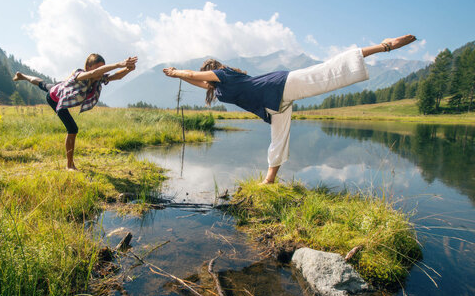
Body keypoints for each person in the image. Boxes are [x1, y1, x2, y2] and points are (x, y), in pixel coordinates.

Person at [163, 34, 417, 184]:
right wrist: (177, 77)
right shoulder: (217, 88)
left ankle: (383, 46)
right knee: (278, 140)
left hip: (280, 85)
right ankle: (269, 181)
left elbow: (193, 74)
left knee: (327, 71)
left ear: (213, 68)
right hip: (273, 105)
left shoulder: (222, 74)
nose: (205, 80)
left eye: (207, 74)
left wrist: (176, 71)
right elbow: (196, 80)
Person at [13, 54, 138, 170]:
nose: (103, 71)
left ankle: (22, 76)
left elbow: (116, 76)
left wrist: (128, 69)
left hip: (60, 87)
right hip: (55, 99)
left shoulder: (98, 78)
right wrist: (119, 64)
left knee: (42, 84)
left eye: (104, 68)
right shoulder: (80, 74)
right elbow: (95, 72)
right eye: (100, 68)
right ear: (88, 67)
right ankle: (69, 166)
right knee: (72, 129)